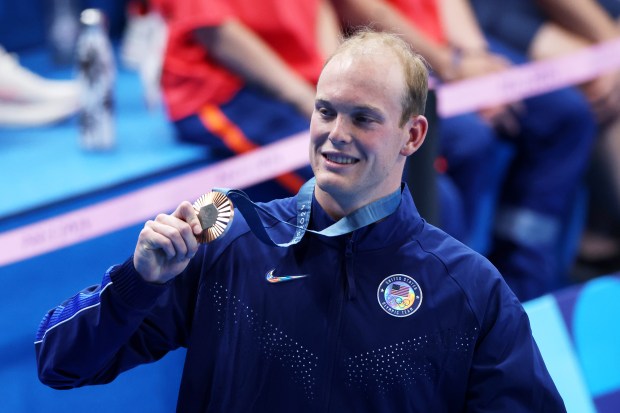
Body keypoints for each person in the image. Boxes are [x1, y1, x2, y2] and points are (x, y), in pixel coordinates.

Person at [35, 30, 565, 411]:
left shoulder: (468, 290)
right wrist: (136, 283)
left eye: (363, 118)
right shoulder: (229, 246)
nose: (336, 134)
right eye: (326, 111)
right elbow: (59, 363)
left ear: (413, 136)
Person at [333, 0, 597, 301]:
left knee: (565, 116)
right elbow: (363, 10)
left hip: (448, 47)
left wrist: (475, 56)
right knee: (472, 141)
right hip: (389, 54)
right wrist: (452, 67)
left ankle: (523, 286)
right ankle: (454, 294)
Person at [469, 0, 620, 278]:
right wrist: (611, 47)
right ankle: (519, 272)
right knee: (571, 111)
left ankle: (535, 269)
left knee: (575, 110)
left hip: (590, 21)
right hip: (501, 15)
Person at [141, 0, 341, 200]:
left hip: (306, 80)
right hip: (222, 88)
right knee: (339, 180)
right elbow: (214, 31)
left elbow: (321, 8)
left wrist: (333, 81)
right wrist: (310, 101)